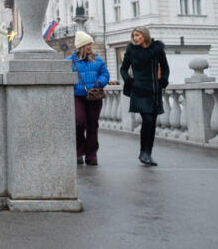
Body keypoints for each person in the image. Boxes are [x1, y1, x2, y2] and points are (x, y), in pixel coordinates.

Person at [120, 26, 170, 166]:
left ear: (144, 36)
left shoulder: (157, 49)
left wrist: (164, 80)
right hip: (139, 90)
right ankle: (143, 152)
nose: (135, 38)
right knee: (147, 120)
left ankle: (148, 153)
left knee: (152, 123)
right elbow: (123, 69)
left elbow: (165, 67)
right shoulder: (131, 50)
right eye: (133, 36)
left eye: (137, 35)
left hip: (154, 91)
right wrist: (128, 80)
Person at [68, 32, 109, 166]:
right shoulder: (69, 61)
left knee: (93, 126)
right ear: (81, 47)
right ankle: (79, 151)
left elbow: (105, 74)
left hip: (94, 96)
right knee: (79, 123)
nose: (91, 47)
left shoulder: (97, 60)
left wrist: (99, 83)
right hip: (77, 96)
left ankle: (91, 155)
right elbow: (62, 76)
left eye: (91, 44)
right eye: (88, 45)